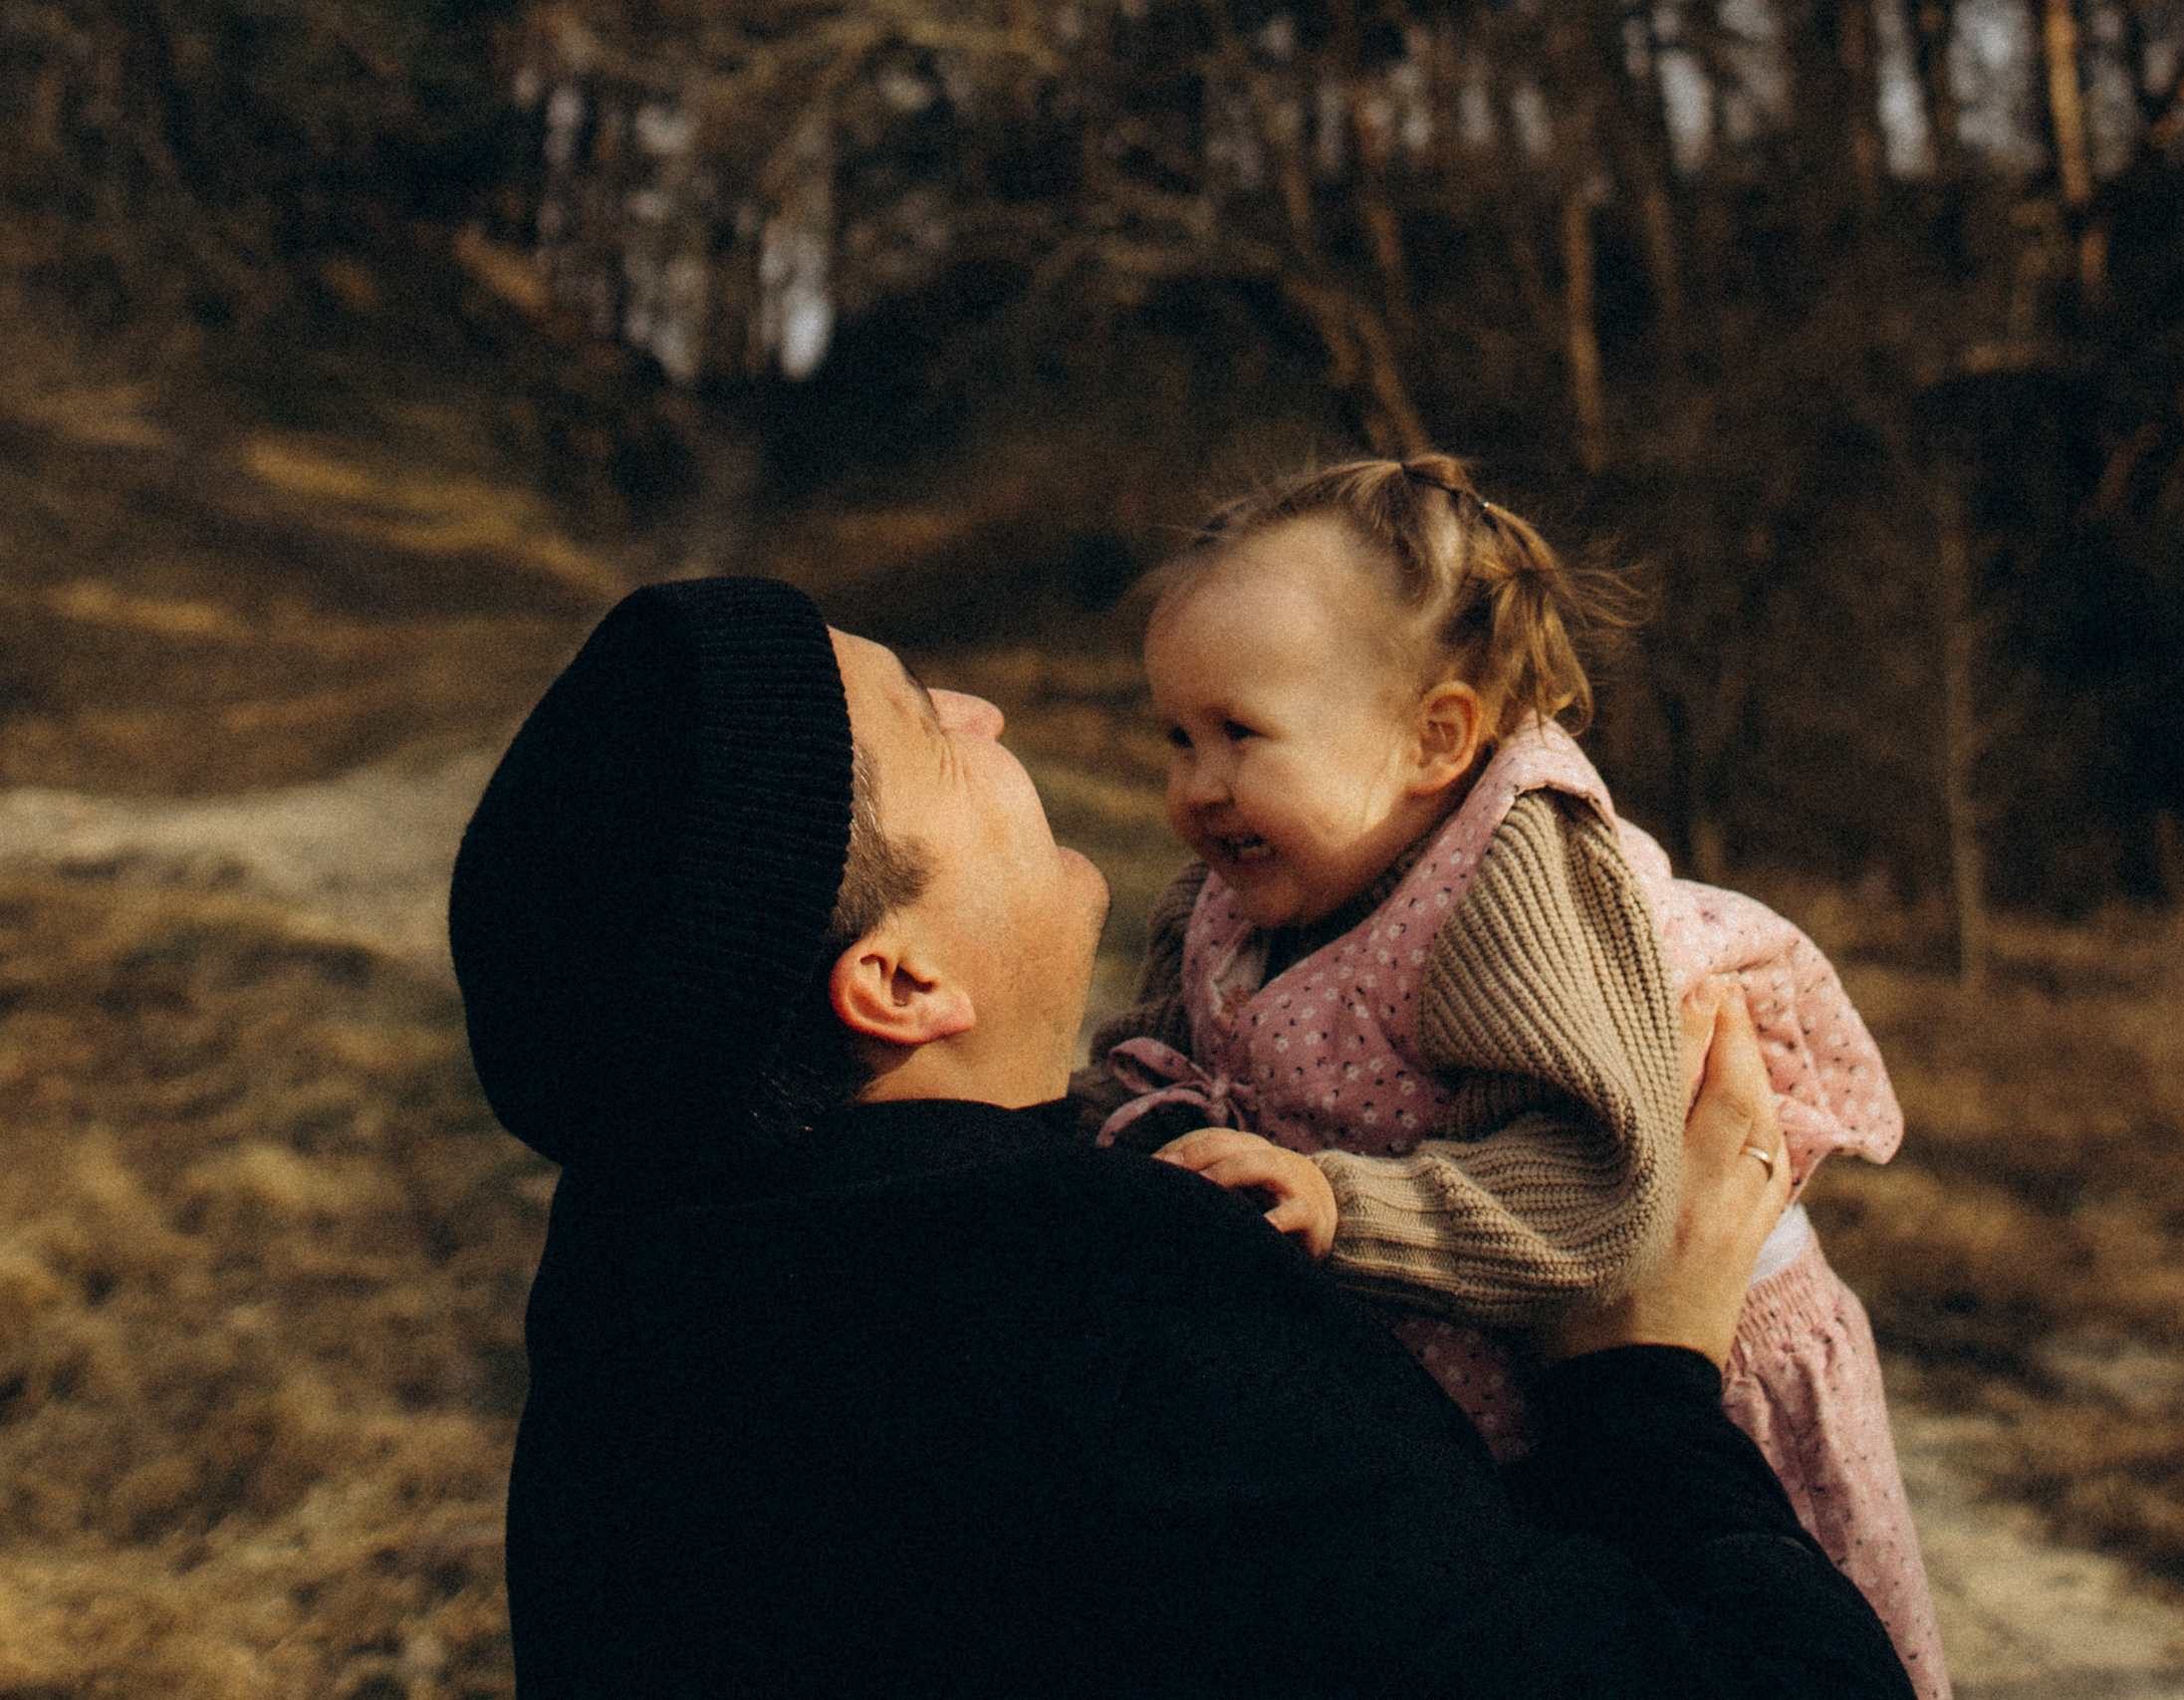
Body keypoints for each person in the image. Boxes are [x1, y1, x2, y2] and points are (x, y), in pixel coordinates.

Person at [448, 575, 1918, 1699]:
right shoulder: (1105, 1308)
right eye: (925, 727)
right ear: (899, 982)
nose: (987, 713)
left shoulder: (635, 1279)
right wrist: (1638, 1378)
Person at [1078, 455, 1947, 1699]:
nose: (1194, 789)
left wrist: (1338, 1205)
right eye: (1173, 736)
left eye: (1240, 735)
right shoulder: (1240, 898)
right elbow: (1153, 1056)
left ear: (1436, 738)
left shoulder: (1513, 879)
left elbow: (1599, 1183)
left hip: (1682, 1369)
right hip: (1507, 1371)